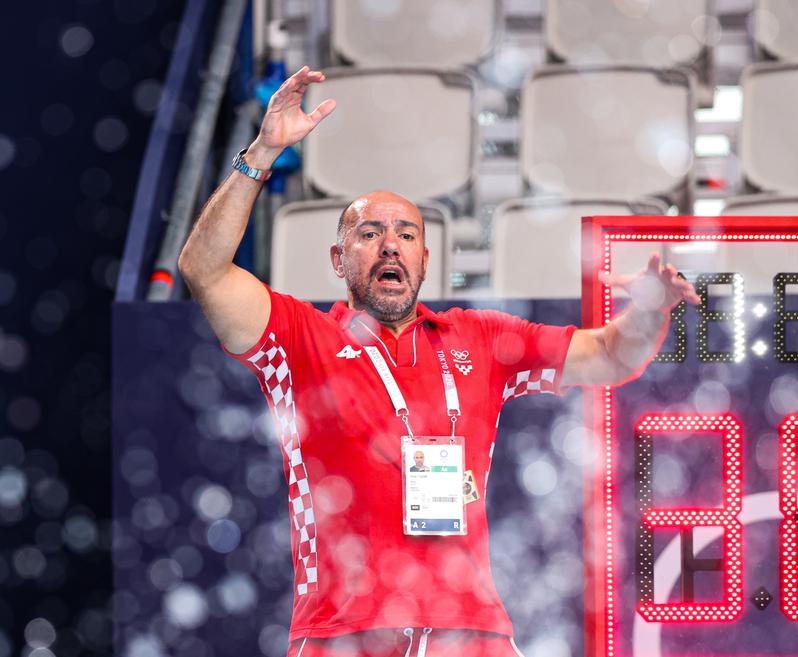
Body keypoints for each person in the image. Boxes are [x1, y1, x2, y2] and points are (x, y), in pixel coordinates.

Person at [177, 66, 699, 657]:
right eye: (369, 233)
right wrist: (264, 151)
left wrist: (652, 312)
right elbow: (205, 270)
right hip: (347, 635)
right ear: (338, 259)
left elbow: (607, 355)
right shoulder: (298, 339)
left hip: (471, 635)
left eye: (404, 234)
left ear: (426, 258)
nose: (390, 244)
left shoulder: (479, 337)